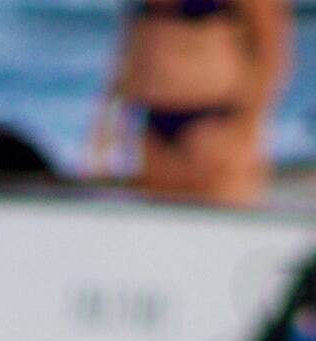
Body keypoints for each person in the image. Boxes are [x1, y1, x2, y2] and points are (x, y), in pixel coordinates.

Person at [102, 0, 294, 203]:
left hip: (214, 121)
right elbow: (133, 42)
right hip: (155, 118)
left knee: (220, 224)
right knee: (157, 227)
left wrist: (245, 126)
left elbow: (270, 50)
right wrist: (111, 119)